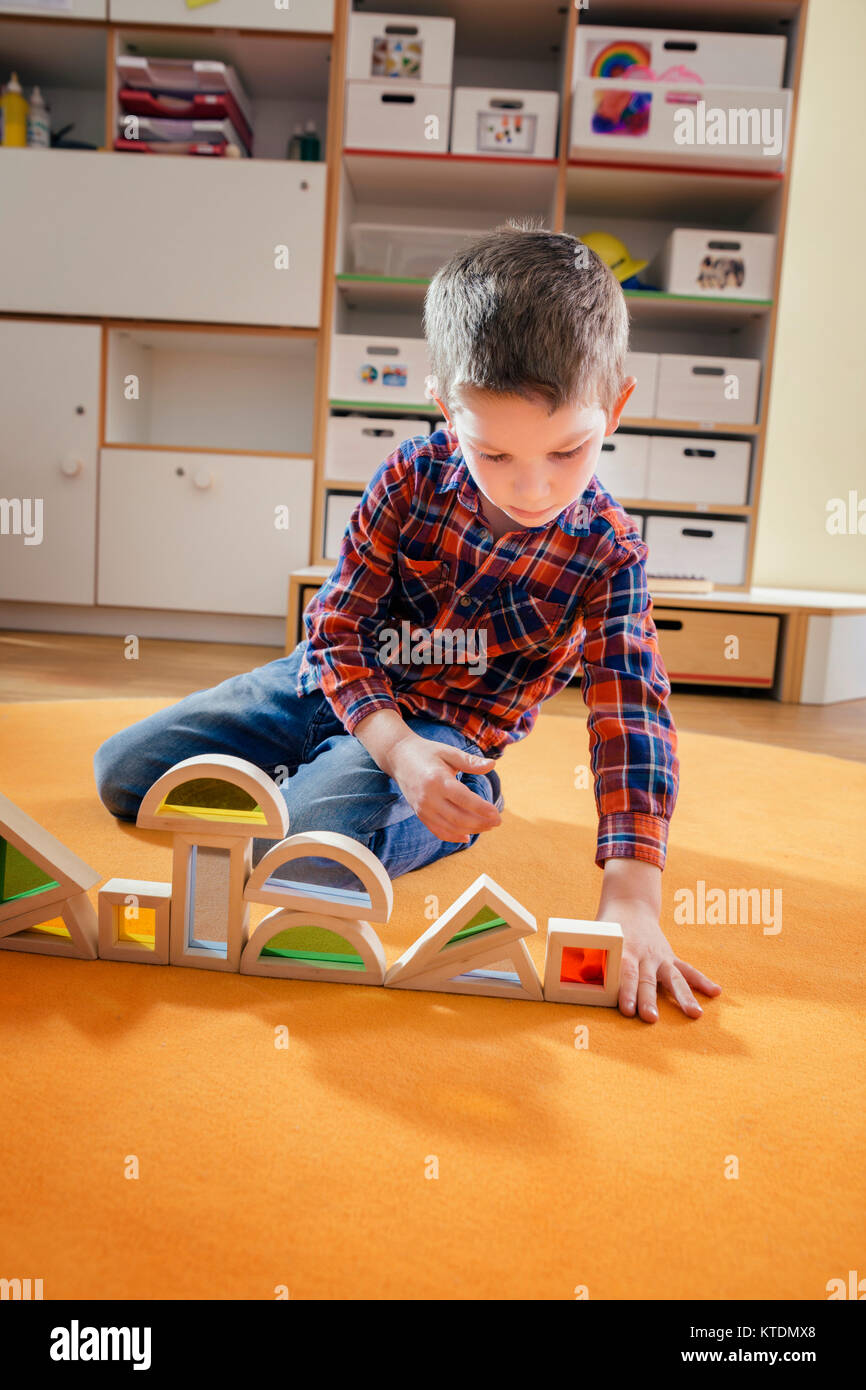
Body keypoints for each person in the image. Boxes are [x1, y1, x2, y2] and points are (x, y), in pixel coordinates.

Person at [94, 219, 721, 1024]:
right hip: (322, 685)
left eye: (568, 452)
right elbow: (336, 627)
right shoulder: (409, 477)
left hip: (444, 740)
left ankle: (427, 807)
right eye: (493, 455)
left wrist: (632, 895)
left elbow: (631, 715)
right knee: (123, 773)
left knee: (308, 858)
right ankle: (322, 770)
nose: (531, 489)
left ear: (617, 409)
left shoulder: (611, 553)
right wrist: (382, 741)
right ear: (444, 408)